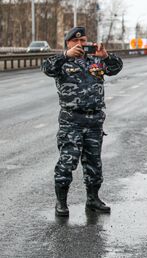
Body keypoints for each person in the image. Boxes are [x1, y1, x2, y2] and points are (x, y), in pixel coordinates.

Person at [41, 26, 123, 217]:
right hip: (72, 121)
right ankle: (61, 202)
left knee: (94, 163)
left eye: (82, 41)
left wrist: (106, 56)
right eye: (75, 41)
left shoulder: (96, 59)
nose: (80, 44)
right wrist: (65, 55)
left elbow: (116, 68)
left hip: (94, 121)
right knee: (67, 162)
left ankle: (93, 199)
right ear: (68, 43)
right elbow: (47, 67)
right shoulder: (61, 62)